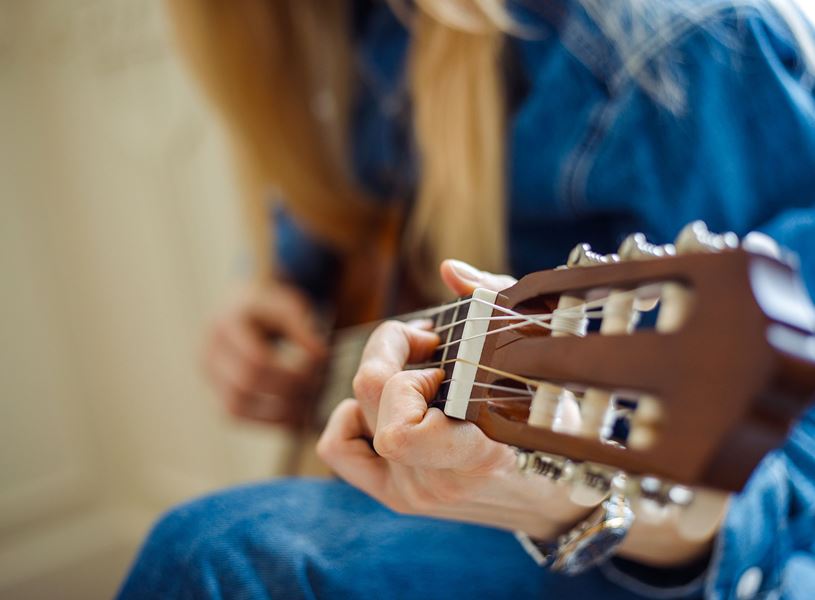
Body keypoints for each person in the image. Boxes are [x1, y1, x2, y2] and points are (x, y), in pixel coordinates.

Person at [120, 0, 815, 597]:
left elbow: (793, 476)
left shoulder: (676, 43)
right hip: (473, 492)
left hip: (643, 545)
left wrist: (563, 503)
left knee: (216, 554)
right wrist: (268, 293)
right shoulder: (350, 21)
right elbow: (329, 220)